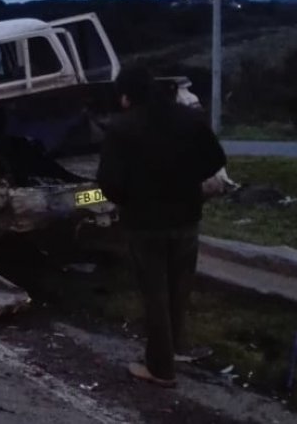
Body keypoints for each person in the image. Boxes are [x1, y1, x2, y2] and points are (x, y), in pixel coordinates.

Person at [96, 65, 227, 388]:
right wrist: (185, 181)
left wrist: (128, 198)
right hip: (186, 217)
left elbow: (107, 183)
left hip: (145, 223)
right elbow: (214, 159)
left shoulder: (121, 128)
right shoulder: (188, 118)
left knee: (155, 294)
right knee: (178, 290)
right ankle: (176, 347)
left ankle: (161, 368)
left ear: (126, 96)